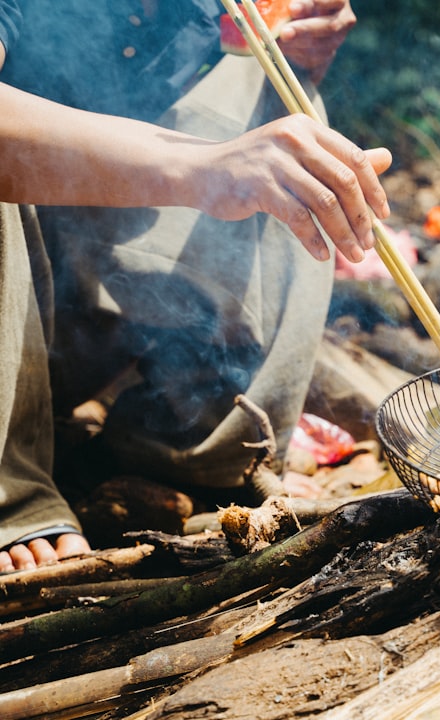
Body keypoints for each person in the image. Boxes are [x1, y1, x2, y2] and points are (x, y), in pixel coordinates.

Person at [0, 0, 387, 572]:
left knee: (273, 91)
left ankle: (193, 450)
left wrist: (302, 49)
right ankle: (11, 486)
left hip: (70, 308)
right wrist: (202, 168)